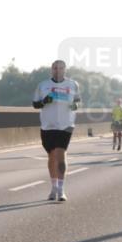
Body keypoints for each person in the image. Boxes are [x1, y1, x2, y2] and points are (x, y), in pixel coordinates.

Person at [32, 60, 81, 202]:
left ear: (64, 70)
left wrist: (75, 106)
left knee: (61, 154)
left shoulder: (73, 84)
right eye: (55, 68)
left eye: (60, 68)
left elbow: (77, 101)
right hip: (48, 125)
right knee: (52, 156)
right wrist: (44, 102)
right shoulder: (43, 85)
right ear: (51, 70)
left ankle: (61, 190)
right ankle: (53, 187)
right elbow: (35, 104)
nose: (57, 70)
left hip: (66, 125)